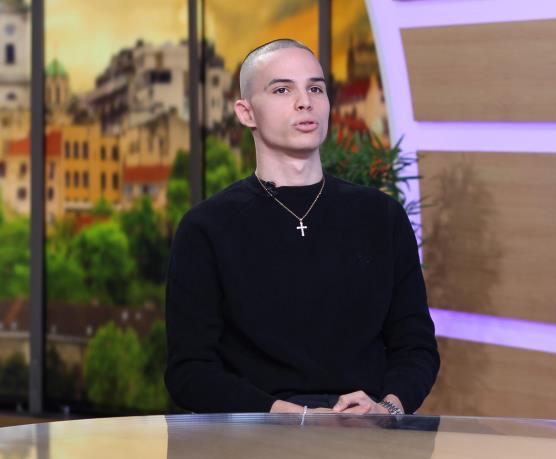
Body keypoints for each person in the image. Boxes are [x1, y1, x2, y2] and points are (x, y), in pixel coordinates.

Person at [164, 39, 439, 415]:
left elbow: (416, 348)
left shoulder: (382, 216)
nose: (304, 102)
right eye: (282, 90)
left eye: (315, 88)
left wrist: (387, 409)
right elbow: (189, 372)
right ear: (246, 113)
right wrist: (288, 415)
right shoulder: (205, 228)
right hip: (255, 435)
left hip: (366, 434)